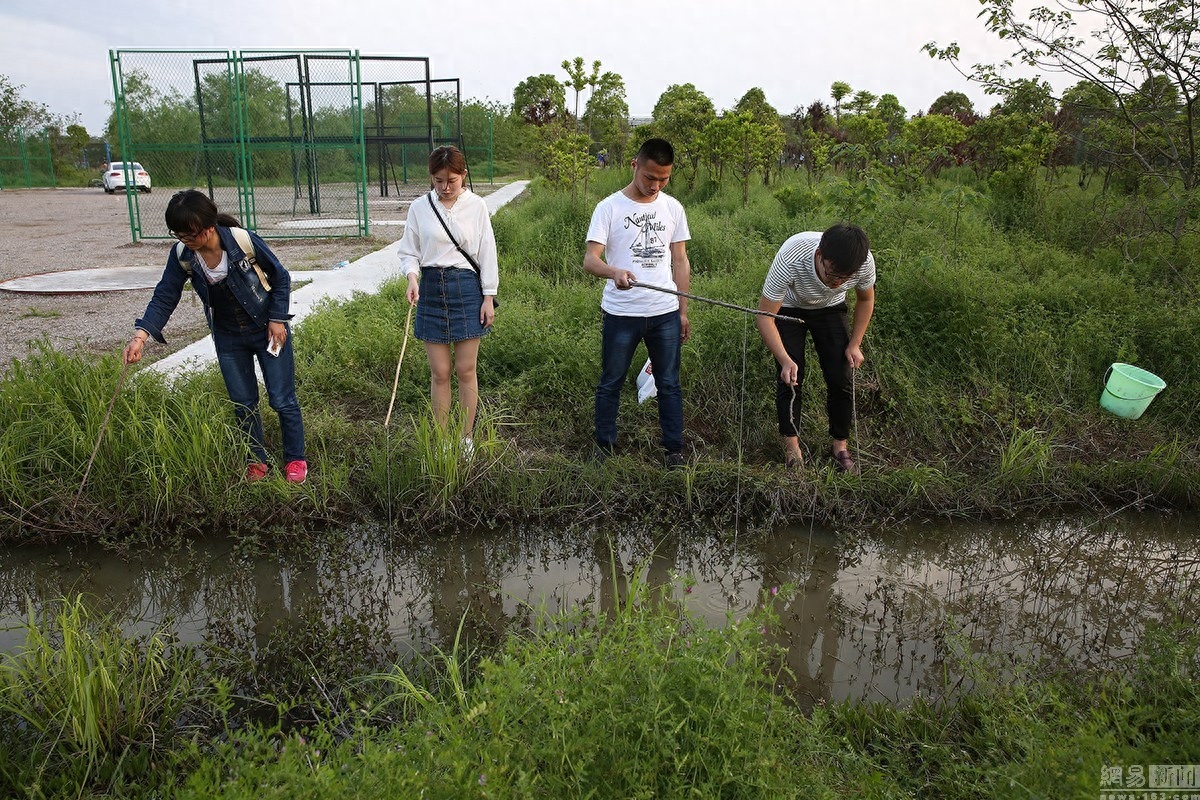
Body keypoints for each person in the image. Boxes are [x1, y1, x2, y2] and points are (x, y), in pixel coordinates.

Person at [123, 190, 307, 483]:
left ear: (208, 228)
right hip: (228, 337)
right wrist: (141, 336)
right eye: (179, 234)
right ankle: (256, 460)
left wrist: (276, 319)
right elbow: (165, 295)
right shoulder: (183, 254)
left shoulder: (241, 240)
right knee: (243, 402)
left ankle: (295, 458)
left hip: (267, 329)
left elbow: (281, 277)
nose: (186, 240)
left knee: (282, 399)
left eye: (190, 234)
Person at [583, 138, 692, 469]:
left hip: (665, 314)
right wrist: (613, 271)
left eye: (664, 179)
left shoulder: (673, 208)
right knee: (611, 379)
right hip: (622, 313)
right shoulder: (609, 207)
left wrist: (683, 311)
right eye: (650, 177)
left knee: (669, 382)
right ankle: (605, 445)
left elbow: (681, 261)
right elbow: (590, 260)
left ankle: (674, 450)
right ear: (635, 166)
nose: (655, 185)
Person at [399, 145, 498, 455]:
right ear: (431, 177)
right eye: (438, 180)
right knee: (440, 372)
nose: (445, 187)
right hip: (431, 288)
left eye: (452, 180)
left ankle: (466, 437)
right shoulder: (419, 208)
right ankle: (442, 440)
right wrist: (412, 278)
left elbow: (486, 251)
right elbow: (409, 251)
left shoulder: (477, 206)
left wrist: (488, 296)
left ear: (463, 176)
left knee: (466, 370)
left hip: (466, 288)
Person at [755, 223, 876, 473]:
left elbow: (866, 299)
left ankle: (840, 446)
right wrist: (785, 360)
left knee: (841, 376)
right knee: (790, 378)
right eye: (832, 275)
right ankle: (792, 448)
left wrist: (855, 344)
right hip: (788, 308)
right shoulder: (792, 255)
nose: (837, 282)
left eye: (845, 278)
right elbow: (765, 317)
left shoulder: (862, 262)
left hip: (830, 310)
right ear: (820, 256)